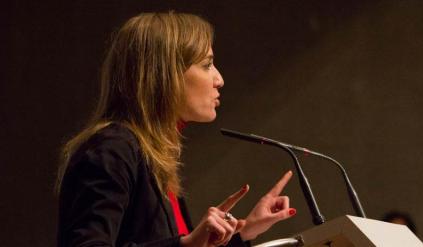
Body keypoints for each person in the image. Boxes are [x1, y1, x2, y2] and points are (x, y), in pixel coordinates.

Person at [55, 12, 296, 247]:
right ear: (165, 75)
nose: (219, 79)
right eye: (207, 64)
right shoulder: (113, 149)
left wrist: (243, 233)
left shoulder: (155, 155)